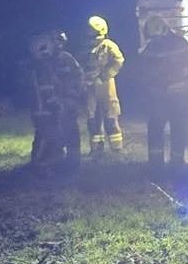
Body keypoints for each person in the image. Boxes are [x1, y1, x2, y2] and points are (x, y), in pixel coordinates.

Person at [139, 15, 188, 174]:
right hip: (179, 94)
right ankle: (177, 163)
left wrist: (152, 87)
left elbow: (144, 71)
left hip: (160, 96)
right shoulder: (181, 43)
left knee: (156, 128)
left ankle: (156, 166)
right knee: (178, 128)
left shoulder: (152, 48)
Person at [24, 30, 85, 173]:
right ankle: (43, 163)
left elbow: (78, 75)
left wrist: (74, 94)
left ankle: (72, 160)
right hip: (48, 106)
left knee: (70, 130)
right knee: (47, 133)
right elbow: (40, 86)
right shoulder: (39, 64)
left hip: (67, 102)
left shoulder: (66, 58)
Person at [84, 15, 125, 157]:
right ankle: (96, 147)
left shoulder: (108, 45)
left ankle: (116, 148)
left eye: (90, 29)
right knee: (92, 118)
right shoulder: (87, 47)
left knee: (110, 117)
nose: (88, 32)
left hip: (106, 85)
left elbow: (119, 60)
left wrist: (105, 76)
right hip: (90, 86)